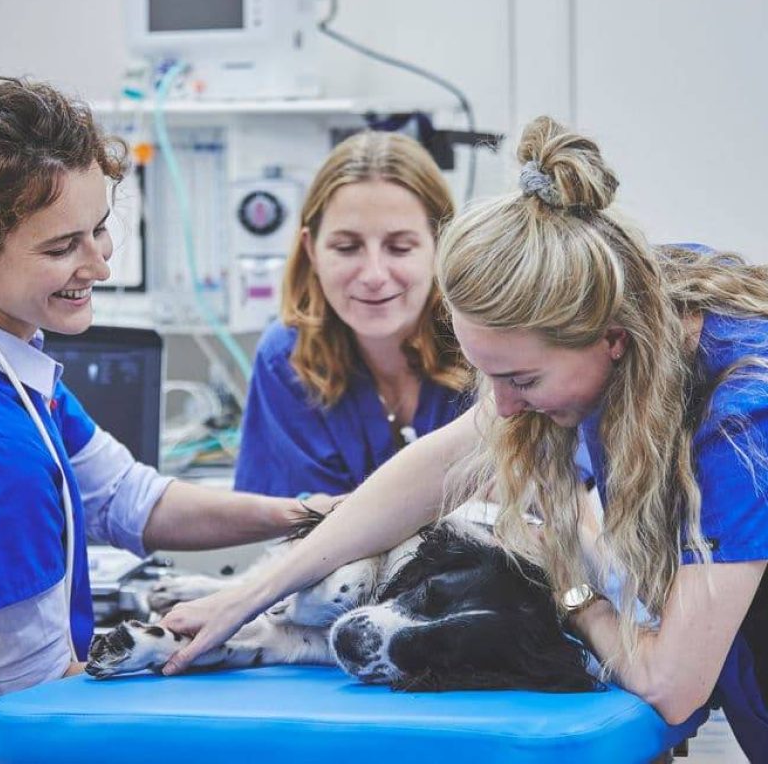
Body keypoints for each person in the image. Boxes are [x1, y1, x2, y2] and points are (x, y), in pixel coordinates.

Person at [162, 116, 768, 760]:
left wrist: (570, 583)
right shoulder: (636, 291)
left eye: (522, 379)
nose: (503, 407)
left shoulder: (742, 425)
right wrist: (247, 597)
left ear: (612, 341)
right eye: (486, 376)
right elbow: (443, 461)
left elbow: (669, 684)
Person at [0, 76, 337, 759]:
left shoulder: (12, 367)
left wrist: (306, 515)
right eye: (61, 249)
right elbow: (34, 707)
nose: (99, 266)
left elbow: (125, 498)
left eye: (100, 230)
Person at [234, 131, 471, 496]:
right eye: (347, 247)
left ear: (441, 246)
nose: (374, 275)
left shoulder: (491, 351)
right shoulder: (286, 360)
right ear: (311, 251)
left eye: (400, 247)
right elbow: (297, 527)